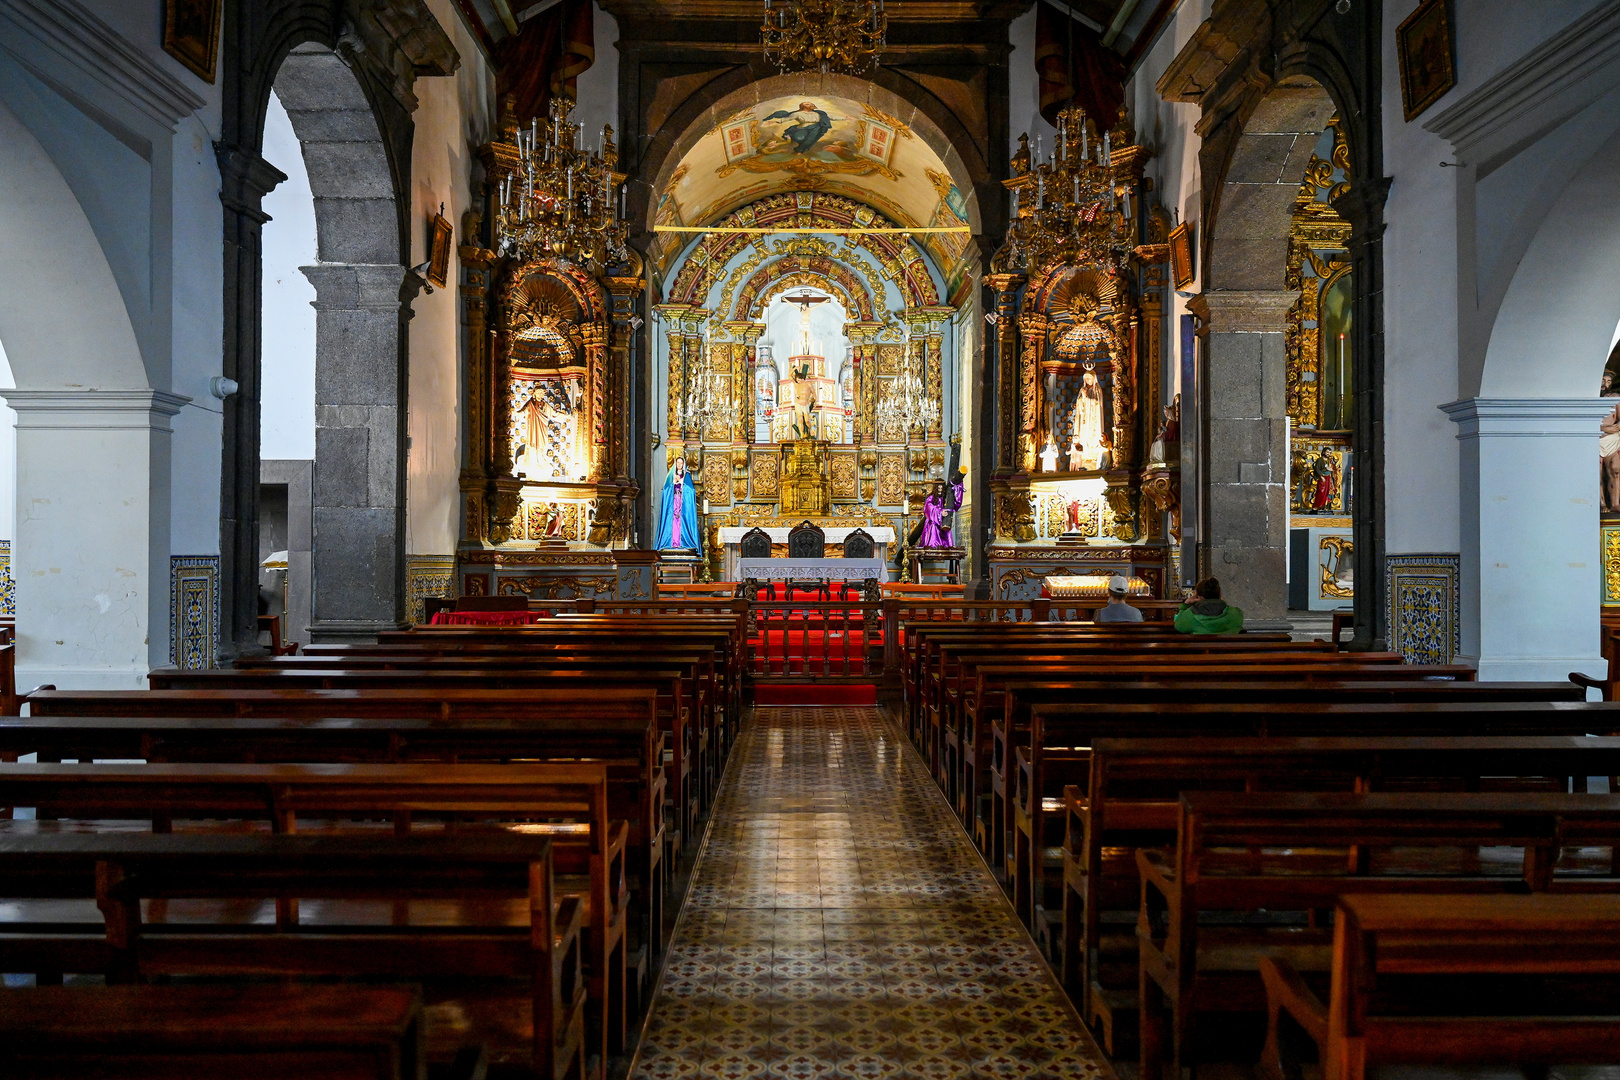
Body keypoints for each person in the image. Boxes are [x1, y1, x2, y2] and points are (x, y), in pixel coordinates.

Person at [654, 456, 700, 550]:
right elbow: (665, 490)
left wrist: (682, 483)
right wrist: (673, 483)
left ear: (683, 464)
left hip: (682, 505)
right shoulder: (670, 475)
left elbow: (691, 491)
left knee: (682, 521)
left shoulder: (686, 475)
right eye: (678, 463)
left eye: (681, 463)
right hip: (672, 504)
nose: (679, 464)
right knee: (671, 521)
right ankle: (669, 542)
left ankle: (683, 542)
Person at [1174, 576, 1244, 634]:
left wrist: (1185, 605)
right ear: (1219, 594)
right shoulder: (1236, 613)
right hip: (1228, 650)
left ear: (1198, 596)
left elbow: (1179, 626)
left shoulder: (1190, 615)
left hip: (1202, 650)